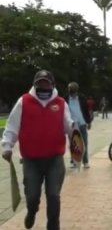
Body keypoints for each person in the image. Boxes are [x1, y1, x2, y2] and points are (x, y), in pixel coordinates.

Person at [1, 70, 73, 230]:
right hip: (31, 160)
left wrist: (76, 141)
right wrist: (7, 146)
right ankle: (32, 211)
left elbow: (69, 126)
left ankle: (53, 226)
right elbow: (12, 126)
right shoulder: (24, 102)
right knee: (32, 196)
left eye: (46, 83)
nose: (43, 86)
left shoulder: (61, 103)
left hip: (54, 159)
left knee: (54, 196)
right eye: (40, 83)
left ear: (52, 85)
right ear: (35, 85)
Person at [65, 82, 92, 169]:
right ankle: (73, 161)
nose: (71, 93)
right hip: (72, 124)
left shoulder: (82, 98)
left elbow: (86, 110)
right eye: (70, 91)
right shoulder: (65, 99)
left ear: (76, 90)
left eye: (73, 91)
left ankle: (85, 161)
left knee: (84, 143)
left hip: (82, 123)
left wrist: (89, 122)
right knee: (73, 144)